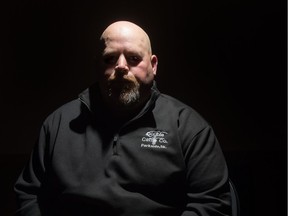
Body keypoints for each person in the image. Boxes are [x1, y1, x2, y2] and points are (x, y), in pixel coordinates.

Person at [14, 20, 232, 216]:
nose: (121, 66)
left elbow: (212, 203)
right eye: (110, 58)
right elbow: (28, 195)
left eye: (133, 58)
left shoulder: (188, 127)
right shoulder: (58, 124)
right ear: (97, 65)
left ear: (153, 65)